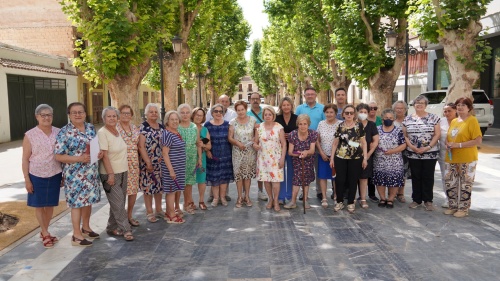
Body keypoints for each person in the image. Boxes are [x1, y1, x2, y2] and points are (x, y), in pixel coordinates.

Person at [55, 102, 102, 247]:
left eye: (80, 112)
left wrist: (97, 153)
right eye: (74, 112)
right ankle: (76, 235)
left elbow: (94, 145)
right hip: (74, 175)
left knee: (88, 202)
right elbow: (58, 156)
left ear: (84, 113)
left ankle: (86, 228)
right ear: (69, 115)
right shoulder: (64, 132)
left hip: (91, 173)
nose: (77, 115)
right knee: (77, 204)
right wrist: (79, 158)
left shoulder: (90, 127)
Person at [22, 104, 62, 249]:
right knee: (39, 205)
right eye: (43, 115)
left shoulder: (59, 132)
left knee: (50, 204)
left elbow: (62, 154)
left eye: (49, 115)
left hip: (55, 173)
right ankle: (45, 233)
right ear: (37, 117)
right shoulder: (30, 135)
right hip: (36, 174)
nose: (46, 118)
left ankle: (44, 230)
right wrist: (27, 179)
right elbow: (25, 159)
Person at [98, 107, 134, 241]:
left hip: (123, 171)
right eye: (109, 116)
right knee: (118, 203)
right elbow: (105, 156)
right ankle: (126, 229)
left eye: (114, 116)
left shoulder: (117, 130)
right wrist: (111, 174)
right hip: (109, 173)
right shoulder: (102, 133)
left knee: (118, 202)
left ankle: (111, 227)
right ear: (103, 118)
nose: (112, 118)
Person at [444, 97, 482, 218]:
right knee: (451, 183)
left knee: (465, 184)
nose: (460, 107)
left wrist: (459, 145)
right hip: (451, 158)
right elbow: (450, 136)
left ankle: (463, 208)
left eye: (463, 105)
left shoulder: (472, 121)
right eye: (458, 105)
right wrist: (447, 143)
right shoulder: (455, 121)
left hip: (467, 158)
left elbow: (478, 140)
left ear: (469, 108)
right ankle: (453, 206)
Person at [402, 95, 440, 211]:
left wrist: (428, 147)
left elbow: (437, 134)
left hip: (430, 153)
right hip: (413, 153)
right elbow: (405, 135)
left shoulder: (434, 118)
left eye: (422, 103)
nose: (419, 105)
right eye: (417, 102)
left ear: (426, 105)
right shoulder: (407, 119)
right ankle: (416, 199)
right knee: (416, 176)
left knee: (428, 177)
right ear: (413, 105)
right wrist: (412, 147)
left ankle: (428, 200)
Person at [330, 105, 368, 214]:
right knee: (340, 180)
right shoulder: (339, 126)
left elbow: (364, 143)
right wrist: (332, 158)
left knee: (353, 180)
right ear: (343, 114)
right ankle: (340, 201)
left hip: (356, 157)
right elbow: (335, 143)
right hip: (340, 157)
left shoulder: (359, 126)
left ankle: (351, 202)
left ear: (354, 114)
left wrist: (365, 158)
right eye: (347, 113)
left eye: (351, 113)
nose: (349, 115)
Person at [254, 106, 286, 212]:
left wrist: (282, 158)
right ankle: (270, 199)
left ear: (273, 116)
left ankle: (276, 200)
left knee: (276, 180)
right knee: (266, 179)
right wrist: (255, 145)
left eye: (270, 114)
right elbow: (255, 142)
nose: (267, 116)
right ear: (263, 116)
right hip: (262, 157)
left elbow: (284, 144)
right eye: (266, 114)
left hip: (275, 158)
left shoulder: (279, 127)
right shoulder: (259, 127)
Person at [295, 86, 325, 201]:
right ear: (304, 96)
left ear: (316, 95)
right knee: (304, 169)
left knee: (318, 168)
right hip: (302, 143)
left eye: (312, 94)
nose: (310, 96)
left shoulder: (322, 108)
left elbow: (323, 123)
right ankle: (304, 192)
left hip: (317, 143)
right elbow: (296, 123)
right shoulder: (299, 108)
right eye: (308, 94)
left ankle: (319, 191)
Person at [373, 109, 406, 209]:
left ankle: (391, 199)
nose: (388, 119)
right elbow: (373, 141)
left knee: (394, 180)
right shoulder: (377, 129)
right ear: (382, 118)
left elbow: (403, 145)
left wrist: (393, 151)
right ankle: (382, 198)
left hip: (394, 161)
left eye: (391, 118)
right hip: (379, 160)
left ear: (394, 119)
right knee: (380, 179)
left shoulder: (398, 130)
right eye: (386, 118)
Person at [284, 114, 318, 210]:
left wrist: (306, 152)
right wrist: (299, 154)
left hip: (309, 160)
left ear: (308, 124)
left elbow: (312, 150)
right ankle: (293, 201)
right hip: (297, 160)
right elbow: (290, 152)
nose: (303, 126)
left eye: (305, 124)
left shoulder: (313, 134)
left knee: (306, 180)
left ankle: (305, 200)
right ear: (297, 125)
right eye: (300, 124)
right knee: (296, 180)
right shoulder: (292, 135)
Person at [206, 95, 236, 203]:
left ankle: (223, 197)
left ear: (223, 113)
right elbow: (205, 140)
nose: (218, 113)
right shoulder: (207, 125)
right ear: (212, 113)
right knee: (214, 177)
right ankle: (215, 198)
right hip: (213, 155)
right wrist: (207, 150)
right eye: (216, 111)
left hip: (225, 154)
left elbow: (231, 139)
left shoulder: (228, 125)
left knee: (223, 177)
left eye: (220, 111)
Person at [138, 103, 164, 223]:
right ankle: (149, 211)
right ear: (146, 114)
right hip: (147, 163)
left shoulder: (161, 126)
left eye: (155, 111)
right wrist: (148, 162)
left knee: (159, 187)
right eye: (151, 112)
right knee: (148, 188)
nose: (154, 113)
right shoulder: (143, 127)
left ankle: (158, 209)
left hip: (161, 162)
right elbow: (141, 146)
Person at [229, 101, 257, 208]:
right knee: (239, 175)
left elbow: (256, 135)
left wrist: (252, 142)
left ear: (246, 109)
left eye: (242, 109)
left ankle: (247, 196)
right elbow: (230, 137)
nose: (241, 112)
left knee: (247, 175)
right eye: (238, 110)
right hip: (237, 151)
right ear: (236, 111)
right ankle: (239, 196)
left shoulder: (253, 120)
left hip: (249, 151)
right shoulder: (232, 122)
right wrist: (237, 143)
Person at [117, 105, 141, 227]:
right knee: (119, 193)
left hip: (134, 164)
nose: (126, 115)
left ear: (131, 115)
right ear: (119, 114)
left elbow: (140, 146)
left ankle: (129, 215)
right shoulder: (115, 128)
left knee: (132, 191)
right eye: (123, 113)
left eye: (128, 113)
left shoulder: (134, 128)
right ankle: (120, 219)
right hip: (119, 163)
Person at [160, 111, 186, 224]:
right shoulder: (167, 134)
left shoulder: (176, 132)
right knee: (171, 191)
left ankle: (168, 212)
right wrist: (171, 170)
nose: (175, 121)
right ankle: (171, 215)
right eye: (172, 119)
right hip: (171, 168)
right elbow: (165, 154)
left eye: (176, 119)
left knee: (174, 191)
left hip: (179, 167)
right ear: (167, 121)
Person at [177, 104, 202, 215]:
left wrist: (199, 158)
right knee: (178, 183)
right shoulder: (176, 126)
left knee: (189, 183)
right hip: (178, 158)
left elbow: (198, 144)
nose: (185, 115)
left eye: (187, 112)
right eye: (182, 112)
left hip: (192, 157)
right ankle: (177, 206)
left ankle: (187, 204)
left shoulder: (194, 126)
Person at [316, 104, 341, 208]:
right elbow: (317, 139)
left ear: (335, 113)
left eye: (331, 112)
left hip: (337, 156)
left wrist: (333, 156)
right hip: (323, 155)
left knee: (336, 177)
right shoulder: (321, 124)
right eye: (327, 112)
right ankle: (324, 197)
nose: (329, 114)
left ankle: (335, 196)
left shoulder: (340, 124)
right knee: (322, 176)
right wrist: (321, 152)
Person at [275, 97, 298, 205]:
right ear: (281, 107)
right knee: (280, 172)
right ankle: (281, 196)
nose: (286, 107)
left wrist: (292, 135)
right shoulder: (276, 118)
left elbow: (302, 131)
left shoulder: (296, 118)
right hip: (279, 149)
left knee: (292, 172)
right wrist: (280, 136)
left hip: (293, 149)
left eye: (288, 105)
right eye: (284, 105)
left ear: (291, 106)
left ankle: (290, 196)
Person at [356, 103, 379, 208]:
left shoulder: (371, 125)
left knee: (364, 177)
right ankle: (352, 198)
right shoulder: (353, 124)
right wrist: (358, 145)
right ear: (357, 112)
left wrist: (368, 154)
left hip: (367, 156)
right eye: (361, 112)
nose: (363, 114)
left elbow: (375, 142)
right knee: (353, 177)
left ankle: (363, 198)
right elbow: (347, 141)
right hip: (353, 155)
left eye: (365, 112)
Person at [247, 92, 267, 201]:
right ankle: (246, 192)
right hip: (250, 145)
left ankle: (260, 191)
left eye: (257, 98)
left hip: (263, 145)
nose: (255, 100)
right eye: (253, 99)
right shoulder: (246, 113)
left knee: (261, 168)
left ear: (260, 100)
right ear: (250, 100)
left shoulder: (265, 113)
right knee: (248, 167)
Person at [438, 103, 457, 208]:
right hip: (443, 154)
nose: (447, 113)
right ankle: (448, 198)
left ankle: (458, 198)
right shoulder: (441, 121)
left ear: (455, 111)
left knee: (458, 177)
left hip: (458, 154)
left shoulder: (460, 121)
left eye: (449, 110)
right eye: (445, 111)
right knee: (445, 176)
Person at [192, 107, 211, 210]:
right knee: (188, 181)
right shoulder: (188, 127)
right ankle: (189, 201)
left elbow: (209, 146)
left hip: (201, 157)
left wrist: (203, 145)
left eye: (201, 115)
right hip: (189, 156)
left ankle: (201, 200)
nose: (199, 117)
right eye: (197, 115)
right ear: (193, 115)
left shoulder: (205, 130)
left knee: (201, 179)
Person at [392, 100, 409, 203]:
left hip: (405, 151)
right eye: (397, 108)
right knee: (392, 172)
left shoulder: (408, 121)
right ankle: (392, 193)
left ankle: (400, 193)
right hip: (392, 151)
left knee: (403, 173)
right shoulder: (391, 121)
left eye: (401, 108)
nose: (399, 110)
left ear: (405, 110)